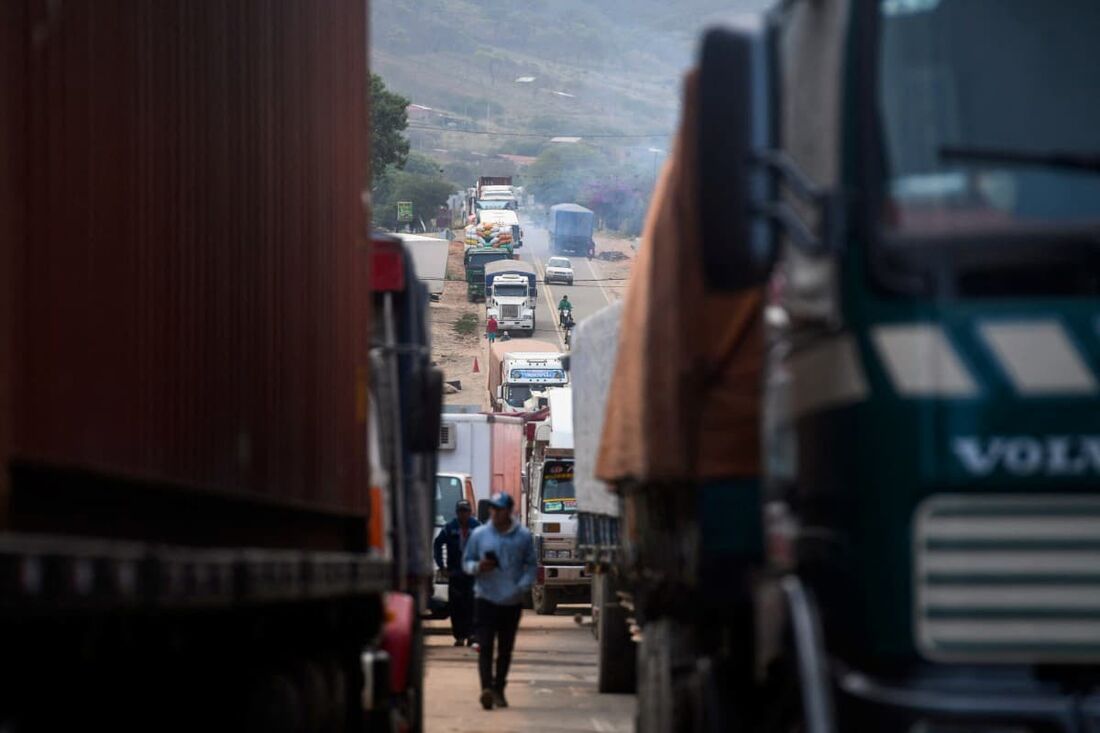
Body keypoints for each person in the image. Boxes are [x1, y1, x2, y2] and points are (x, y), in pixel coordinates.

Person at [462, 492, 536, 711]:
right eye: (492, 508)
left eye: (499, 509)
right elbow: (466, 561)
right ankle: (486, 689)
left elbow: (531, 565)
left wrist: (522, 586)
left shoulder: (523, 536)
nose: (494, 512)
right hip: (485, 598)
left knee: (505, 649)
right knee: (485, 646)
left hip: (511, 602)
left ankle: (499, 689)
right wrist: (478, 567)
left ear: (509, 511)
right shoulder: (479, 535)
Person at [434, 499, 481, 647]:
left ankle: (472, 634)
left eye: (466, 511)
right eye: (461, 511)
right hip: (455, 573)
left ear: (470, 512)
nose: (463, 514)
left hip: (473, 573)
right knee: (456, 606)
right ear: (457, 513)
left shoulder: (477, 527)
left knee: (472, 605)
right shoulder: (450, 527)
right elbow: (437, 543)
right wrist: (442, 566)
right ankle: (459, 636)